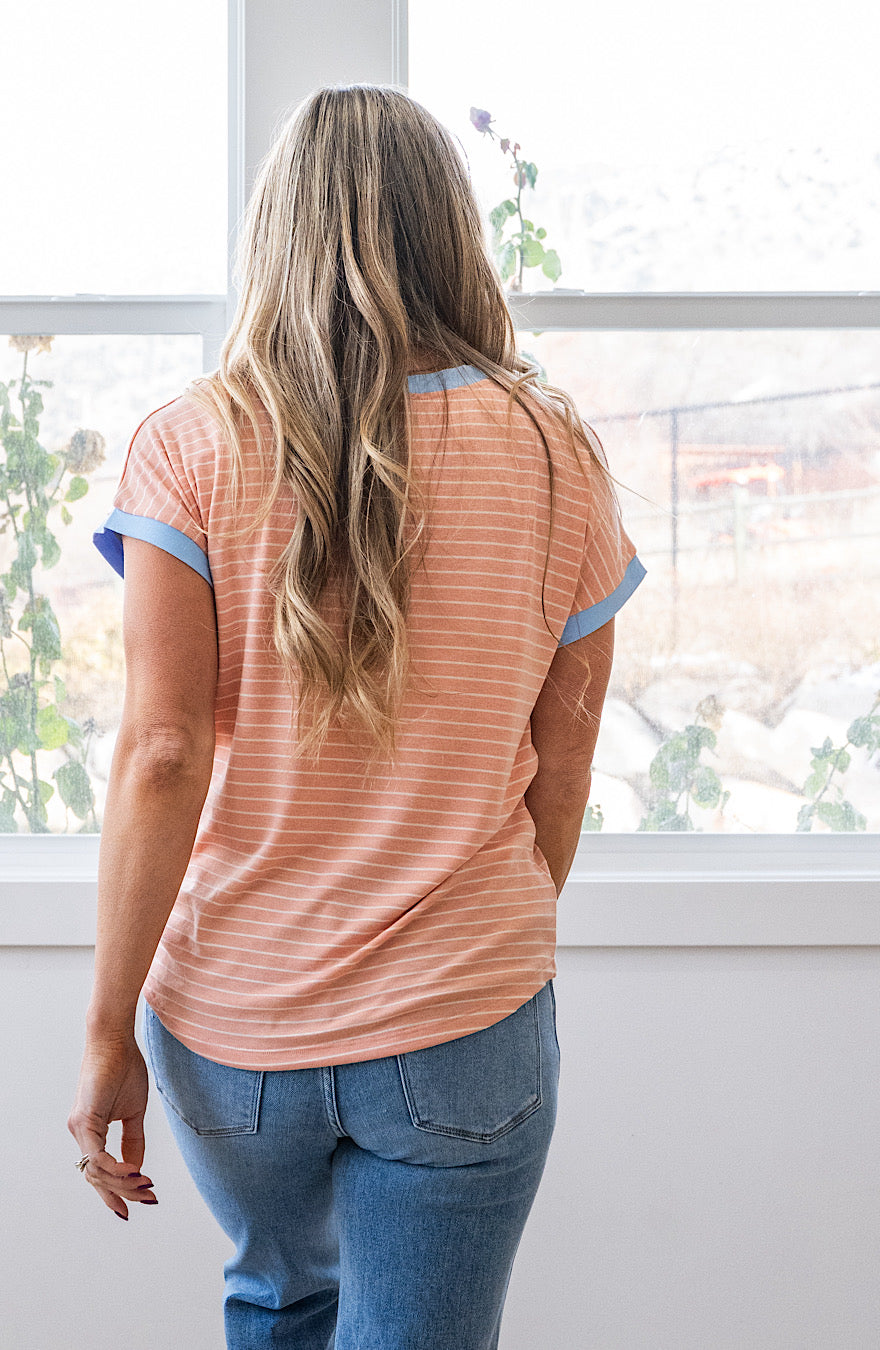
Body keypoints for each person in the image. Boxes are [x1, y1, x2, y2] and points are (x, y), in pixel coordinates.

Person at [68, 82, 646, 1350]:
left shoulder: (190, 445)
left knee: (278, 1300)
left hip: (234, 1032)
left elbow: (161, 753)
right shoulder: (559, 454)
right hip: (463, 1020)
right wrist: (476, 932)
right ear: (452, 232)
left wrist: (108, 1036)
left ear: (276, 232)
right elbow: (565, 763)